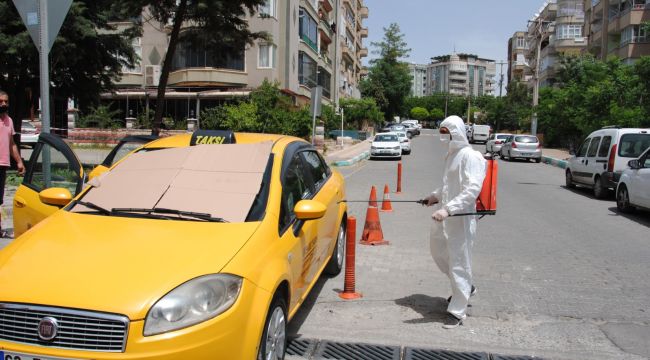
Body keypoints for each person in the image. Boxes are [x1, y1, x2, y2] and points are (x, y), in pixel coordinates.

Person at [423, 115, 486, 329]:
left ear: (456, 132)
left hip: (460, 218)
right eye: (441, 132)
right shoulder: (452, 156)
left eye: (446, 133)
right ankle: (466, 288)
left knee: (459, 262)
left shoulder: (471, 156)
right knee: (439, 252)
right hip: (445, 216)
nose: (443, 137)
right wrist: (434, 196)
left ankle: (458, 312)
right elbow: (448, 186)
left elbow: (472, 190)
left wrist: (448, 209)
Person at [0, 90, 26, 238]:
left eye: (6, 101)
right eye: (0, 101)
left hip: (3, 164)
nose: (3, 104)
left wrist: (19, 161)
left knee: (0, 199)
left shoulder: (9, 121)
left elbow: (11, 144)